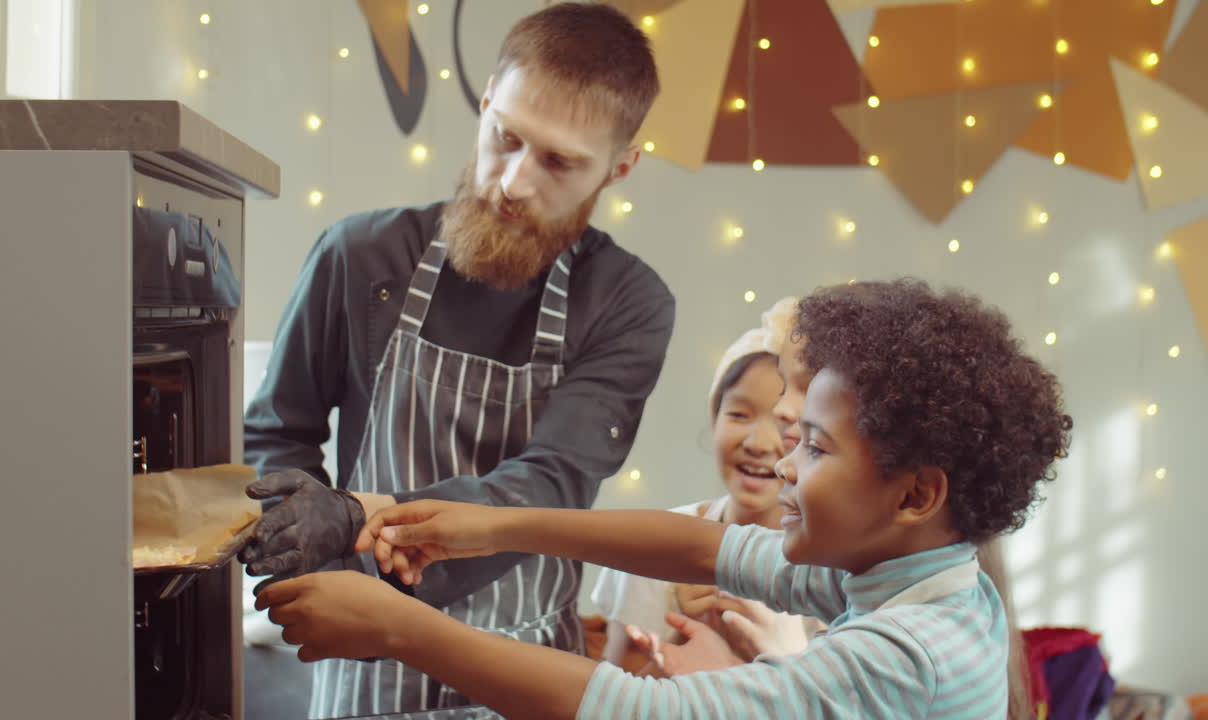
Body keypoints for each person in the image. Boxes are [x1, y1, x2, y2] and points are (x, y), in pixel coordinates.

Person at [257, 278, 1074, 719]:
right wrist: (489, 524)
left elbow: (641, 715)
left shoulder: (908, 655)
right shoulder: (908, 573)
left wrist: (402, 628)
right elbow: (703, 547)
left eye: (814, 447)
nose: (786, 465)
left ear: (914, 494)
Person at [238, 3, 671, 715]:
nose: (514, 181)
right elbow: (280, 434)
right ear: (486, 97)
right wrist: (302, 533)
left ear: (619, 168)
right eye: (505, 137)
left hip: (528, 674)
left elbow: (552, 484)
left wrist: (356, 520)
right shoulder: (358, 256)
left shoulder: (628, 301)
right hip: (364, 658)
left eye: (559, 161)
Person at [590, 298, 813, 673]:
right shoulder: (656, 550)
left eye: (782, 420)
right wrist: (681, 640)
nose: (759, 443)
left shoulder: (832, 570)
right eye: (739, 414)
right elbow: (615, 697)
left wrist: (778, 650)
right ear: (714, 420)